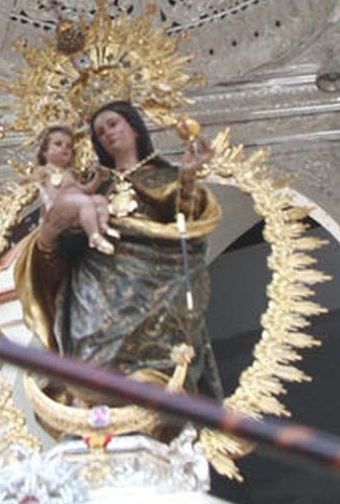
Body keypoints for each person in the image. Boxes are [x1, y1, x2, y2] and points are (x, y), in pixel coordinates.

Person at [14, 99, 221, 405]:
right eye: (99, 132)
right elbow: (59, 247)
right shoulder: (95, 187)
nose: (107, 134)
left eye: (113, 124)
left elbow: (186, 227)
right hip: (95, 294)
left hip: (157, 286)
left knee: (161, 372)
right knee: (95, 370)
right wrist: (49, 235)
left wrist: (188, 175)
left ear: (134, 128)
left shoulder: (165, 177)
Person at [32, 121, 114, 254]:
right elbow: (34, 179)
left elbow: (86, 190)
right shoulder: (45, 171)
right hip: (56, 210)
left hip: (73, 209)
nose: (65, 148)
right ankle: (94, 236)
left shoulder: (69, 175)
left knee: (99, 200)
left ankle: (103, 226)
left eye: (69, 146)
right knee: (83, 201)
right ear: (44, 152)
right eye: (58, 144)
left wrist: (98, 177)